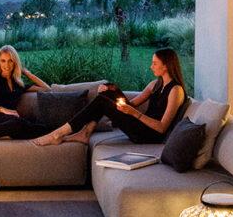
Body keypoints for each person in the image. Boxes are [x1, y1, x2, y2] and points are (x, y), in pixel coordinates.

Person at [32, 47, 187, 146]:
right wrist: (112, 90)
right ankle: (84, 133)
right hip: (140, 126)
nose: (150, 66)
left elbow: (161, 128)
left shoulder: (176, 91)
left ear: (166, 65)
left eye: (154, 63)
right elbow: (131, 103)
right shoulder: (155, 84)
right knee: (108, 90)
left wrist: (134, 113)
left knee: (102, 102)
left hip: (149, 136)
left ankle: (59, 133)